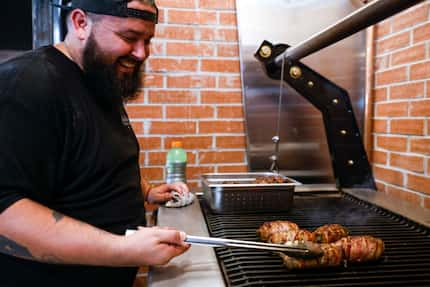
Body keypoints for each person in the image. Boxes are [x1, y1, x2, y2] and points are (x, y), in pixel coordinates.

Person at [0, 0, 190, 286]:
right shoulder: (28, 84)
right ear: (80, 23)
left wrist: (147, 192)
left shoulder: (99, 78)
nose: (142, 53)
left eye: (147, 40)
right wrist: (123, 250)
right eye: (129, 38)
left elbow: (94, 157)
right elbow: (5, 210)